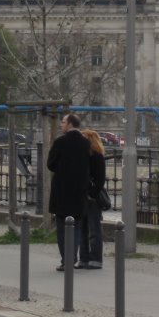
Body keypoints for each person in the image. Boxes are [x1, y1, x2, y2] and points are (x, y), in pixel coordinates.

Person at [46, 113, 91, 271]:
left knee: (61, 227)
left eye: (63, 122)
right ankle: (73, 257)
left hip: (62, 191)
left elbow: (50, 164)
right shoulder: (86, 143)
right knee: (76, 226)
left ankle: (66, 260)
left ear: (70, 124)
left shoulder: (60, 142)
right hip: (79, 191)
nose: (61, 124)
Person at [77, 129, 107, 269]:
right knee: (82, 228)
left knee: (94, 228)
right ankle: (83, 258)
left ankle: (95, 258)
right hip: (82, 196)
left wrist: (92, 194)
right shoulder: (82, 156)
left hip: (92, 197)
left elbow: (100, 179)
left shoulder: (97, 156)